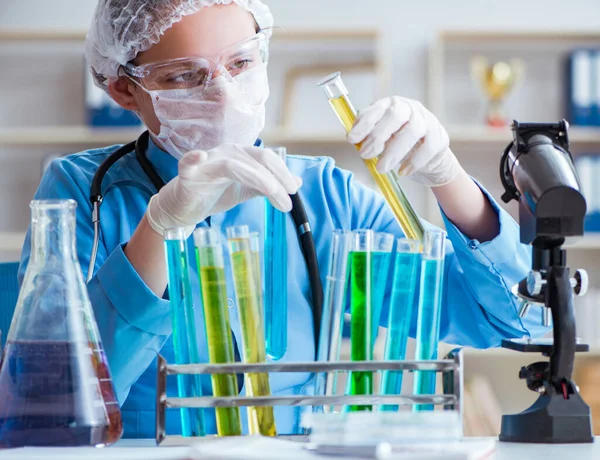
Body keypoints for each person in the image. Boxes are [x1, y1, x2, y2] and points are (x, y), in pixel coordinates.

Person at [19, 0, 546, 438]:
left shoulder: (324, 196)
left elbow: (514, 321)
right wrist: (159, 229)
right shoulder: (81, 195)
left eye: (241, 64)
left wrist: (447, 177)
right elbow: (51, 407)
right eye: (184, 75)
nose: (223, 92)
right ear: (123, 89)